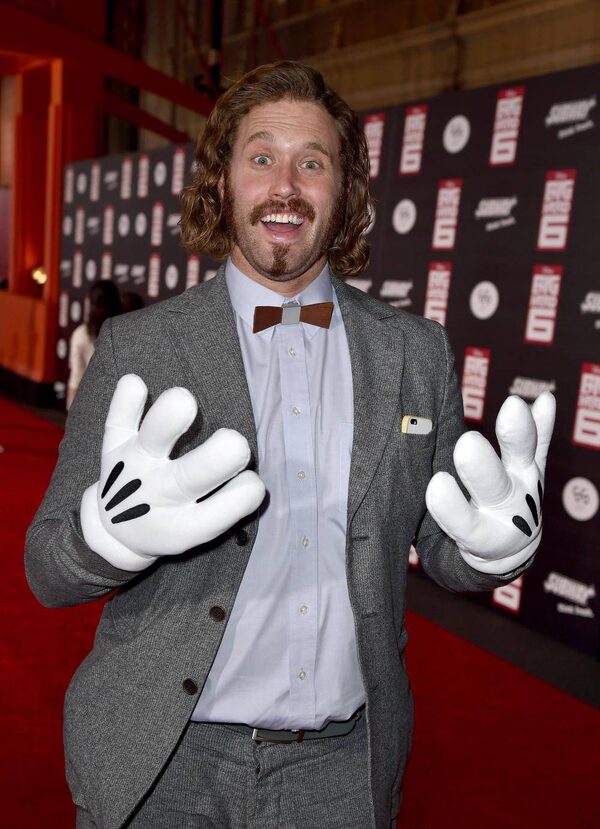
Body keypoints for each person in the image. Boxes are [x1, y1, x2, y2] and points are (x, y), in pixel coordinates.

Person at [25, 61, 555, 829]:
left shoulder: (415, 352)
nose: (285, 185)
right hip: (162, 761)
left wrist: (494, 552)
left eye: (312, 162)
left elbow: (444, 542)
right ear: (222, 181)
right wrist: (104, 538)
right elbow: (47, 568)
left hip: (340, 771)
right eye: (261, 157)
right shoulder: (140, 347)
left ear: (346, 191)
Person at [66, 280, 122, 410]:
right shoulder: (81, 335)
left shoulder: (81, 334)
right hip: (103, 406)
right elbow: (76, 378)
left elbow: (76, 379)